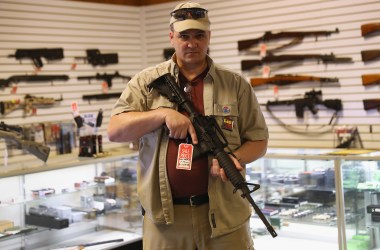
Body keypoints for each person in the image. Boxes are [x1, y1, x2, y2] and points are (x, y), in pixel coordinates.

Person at [107, 2, 269, 249]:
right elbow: (116, 130)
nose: (191, 43)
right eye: (184, 36)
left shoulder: (235, 84)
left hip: (226, 217)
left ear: (209, 37)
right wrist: (161, 114)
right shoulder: (146, 82)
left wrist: (235, 157)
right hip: (165, 221)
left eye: (199, 35)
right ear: (171, 37)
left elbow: (259, 140)